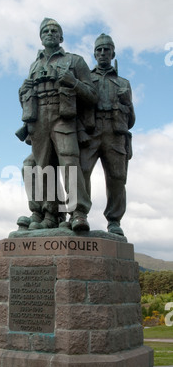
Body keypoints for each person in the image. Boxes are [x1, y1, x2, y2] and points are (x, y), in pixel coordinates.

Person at [17, 18, 97, 232]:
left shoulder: (75, 61)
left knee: (69, 162)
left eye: (54, 31)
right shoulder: (35, 65)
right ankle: (50, 213)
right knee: (43, 167)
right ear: (41, 37)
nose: (50, 33)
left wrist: (73, 82)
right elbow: (26, 95)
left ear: (61, 37)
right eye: (45, 31)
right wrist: (23, 91)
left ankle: (78, 212)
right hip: (39, 118)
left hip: (63, 116)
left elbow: (92, 96)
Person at [79, 34, 136, 236]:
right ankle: (80, 214)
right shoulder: (86, 78)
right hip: (91, 132)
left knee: (117, 178)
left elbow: (132, 120)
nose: (103, 53)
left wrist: (126, 101)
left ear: (113, 53)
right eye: (99, 50)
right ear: (94, 54)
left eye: (106, 49)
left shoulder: (123, 83)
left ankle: (114, 221)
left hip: (115, 133)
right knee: (81, 172)